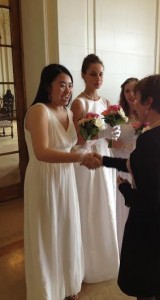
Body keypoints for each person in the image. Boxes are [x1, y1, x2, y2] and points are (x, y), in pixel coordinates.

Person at [94, 74, 160, 300]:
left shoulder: (151, 139)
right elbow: (140, 165)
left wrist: (125, 189)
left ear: (149, 102)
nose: (133, 103)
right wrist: (103, 160)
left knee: (145, 288)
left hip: (151, 231)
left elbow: (148, 200)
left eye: (136, 98)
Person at [24, 63, 100, 300]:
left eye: (70, 86)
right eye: (61, 85)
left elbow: (74, 144)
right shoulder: (39, 111)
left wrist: (92, 140)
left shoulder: (67, 112)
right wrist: (79, 157)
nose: (67, 90)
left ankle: (67, 284)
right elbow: (42, 152)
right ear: (48, 87)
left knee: (66, 228)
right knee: (47, 232)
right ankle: (47, 290)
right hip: (44, 178)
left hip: (65, 178)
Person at [70, 54, 120, 283]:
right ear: (83, 75)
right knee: (89, 205)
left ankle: (106, 260)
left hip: (104, 156)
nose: (98, 78)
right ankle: (88, 265)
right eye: (93, 74)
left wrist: (113, 135)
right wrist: (102, 134)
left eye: (101, 74)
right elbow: (79, 140)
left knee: (105, 202)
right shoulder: (79, 103)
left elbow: (109, 135)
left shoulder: (106, 102)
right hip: (87, 158)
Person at [112, 77, 139, 252]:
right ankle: (119, 241)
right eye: (127, 90)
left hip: (138, 163)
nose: (130, 94)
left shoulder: (146, 113)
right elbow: (107, 138)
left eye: (134, 90)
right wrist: (121, 145)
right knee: (120, 201)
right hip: (120, 159)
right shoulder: (117, 114)